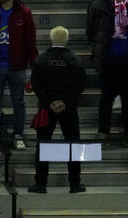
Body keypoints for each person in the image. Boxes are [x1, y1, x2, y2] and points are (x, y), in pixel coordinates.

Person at [27, 26, 86, 194]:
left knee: (43, 144)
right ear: (67, 40)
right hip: (69, 108)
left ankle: (40, 184)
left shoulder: (40, 60)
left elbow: (36, 84)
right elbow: (80, 85)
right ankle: (75, 183)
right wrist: (65, 102)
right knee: (73, 144)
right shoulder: (75, 60)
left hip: (46, 108)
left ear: (51, 39)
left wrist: (50, 102)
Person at [86, 0, 128, 148]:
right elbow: (91, 30)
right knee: (106, 98)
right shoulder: (98, 4)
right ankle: (103, 133)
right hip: (108, 59)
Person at [0, 0, 36, 150]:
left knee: (18, 102)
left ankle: (18, 135)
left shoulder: (24, 13)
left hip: (17, 66)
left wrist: (32, 64)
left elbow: (30, 40)